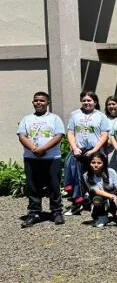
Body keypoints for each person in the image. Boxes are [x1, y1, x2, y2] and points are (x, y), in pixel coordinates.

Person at [17, 91, 66, 227]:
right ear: (33, 102)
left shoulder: (55, 119)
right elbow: (22, 136)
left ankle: (56, 212)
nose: (39, 103)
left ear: (48, 103)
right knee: (33, 186)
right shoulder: (26, 119)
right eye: (36, 100)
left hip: (51, 158)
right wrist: (34, 149)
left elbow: (58, 136)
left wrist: (43, 149)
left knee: (54, 186)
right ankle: (34, 213)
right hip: (31, 158)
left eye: (42, 101)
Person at [64, 91, 110, 216]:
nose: (86, 103)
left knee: (95, 177)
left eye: (89, 100)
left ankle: (98, 204)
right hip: (79, 151)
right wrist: (74, 148)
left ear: (95, 102)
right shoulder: (75, 114)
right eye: (84, 100)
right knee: (77, 177)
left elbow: (104, 135)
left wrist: (94, 150)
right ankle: (77, 204)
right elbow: (71, 133)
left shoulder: (101, 116)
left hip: (95, 151)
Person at [82, 152, 117, 228]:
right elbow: (96, 190)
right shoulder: (86, 175)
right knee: (96, 198)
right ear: (89, 163)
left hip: (114, 199)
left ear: (104, 163)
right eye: (93, 162)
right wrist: (113, 196)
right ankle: (101, 215)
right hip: (101, 197)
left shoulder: (111, 172)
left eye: (99, 163)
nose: (96, 165)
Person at [103, 95, 117, 163]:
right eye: (109, 104)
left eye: (113, 104)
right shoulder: (104, 118)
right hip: (106, 149)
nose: (111, 106)